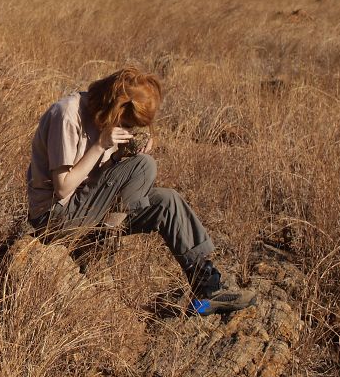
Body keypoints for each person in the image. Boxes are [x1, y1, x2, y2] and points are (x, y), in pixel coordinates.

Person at [26, 67, 255, 315]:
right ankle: (99, 244)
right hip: (54, 218)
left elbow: (98, 179)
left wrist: (125, 152)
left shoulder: (103, 117)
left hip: (88, 209)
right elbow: (63, 188)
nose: (127, 128)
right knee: (144, 166)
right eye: (127, 123)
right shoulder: (68, 115)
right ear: (117, 108)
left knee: (167, 200)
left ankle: (207, 288)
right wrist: (102, 145)